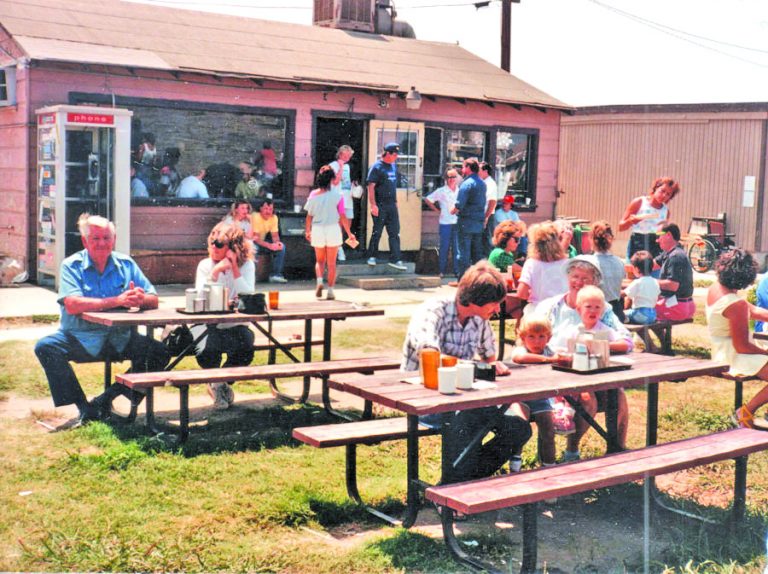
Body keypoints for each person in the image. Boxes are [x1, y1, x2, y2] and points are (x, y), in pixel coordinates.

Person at [401, 261, 531, 482]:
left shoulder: (480, 318)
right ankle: (455, 488)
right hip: (423, 398)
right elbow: (430, 355)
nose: (498, 310)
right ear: (475, 300)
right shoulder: (433, 311)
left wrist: (496, 368)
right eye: (494, 304)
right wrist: (475, 366)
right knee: (470, 416)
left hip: (464, 397)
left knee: (519, 429)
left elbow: (490, 357)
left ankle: (459, 484)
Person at [34, 214, 169, 424]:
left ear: (113, 240)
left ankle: (106, 399)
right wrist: (117, 300)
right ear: (85, 241)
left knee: (159, 352)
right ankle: (83, 407)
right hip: (81, 339)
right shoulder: (72, 265)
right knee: (46, 347)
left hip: (119, 338)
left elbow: (153, 299)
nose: (102, 243)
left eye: (107, 237)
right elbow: (72, 304)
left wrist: (139, 299)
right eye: (96, 238)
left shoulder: (126, 263)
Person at [535, 256, 633, 460]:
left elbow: (626, 341)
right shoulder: (550, 307)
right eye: (575, 276)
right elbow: (530, 337)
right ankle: (572, 449)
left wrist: (595, 345)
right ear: (568, 277)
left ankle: (617, 449)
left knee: (618, 394)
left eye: (585, 279)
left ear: (595, 283)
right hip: (557, 371)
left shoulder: (600, 308)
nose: (578, 282)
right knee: (588, 398)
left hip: (594, 371)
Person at [192, 222, 256, 409]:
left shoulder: (247, 265)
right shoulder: (205, 265)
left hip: (233, 324)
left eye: (219, 244)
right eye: (212, 242)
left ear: (233, 247)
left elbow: (248, 294)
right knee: (207, 349)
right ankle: (217, 384)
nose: (213, 247)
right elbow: (199, 297)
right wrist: (215, 272)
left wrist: (234, 268)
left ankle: (219, 383)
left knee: (247, 344)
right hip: (206, 323)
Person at [705, 250, 768, 428]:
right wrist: (765, 351)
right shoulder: (735, 304)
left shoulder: (716, 288)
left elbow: (754, 311)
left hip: (722, 349)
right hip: (734, 355)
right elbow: (742, 346)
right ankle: (745, 412)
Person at [509, 314, 558, 466]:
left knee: (549, 432)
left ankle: (549, 466)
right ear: (522, 337)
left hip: (541, 398)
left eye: (541, 336)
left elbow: (560, 357)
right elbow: (520, 358)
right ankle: (515, 465)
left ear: (548, 338)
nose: (537, 341)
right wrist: (548, 360)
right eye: (531, 336)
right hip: (520, 397)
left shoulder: (550, 351)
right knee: (520, 427)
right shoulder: (519, 350)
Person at [305, 165, 356, 300]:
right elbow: (343, 216)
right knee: (332, 263)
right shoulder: (338, 195)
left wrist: (307, 230)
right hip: (333, 228)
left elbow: (309, 215)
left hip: (317, 228)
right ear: (332, 179)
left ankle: (320, 282)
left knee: (320, 261)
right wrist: (349, 233)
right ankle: (331, 291)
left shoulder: (313, 195)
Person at [365, 142, 406, 270]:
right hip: (380, 204)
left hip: (391, 205)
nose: (396, 157)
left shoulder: (393, 166)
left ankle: (395, 259)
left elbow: (392, 186)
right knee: (377, 231)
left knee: (394, 232)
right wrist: (373, 205)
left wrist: (395, 202)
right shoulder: (377, 167)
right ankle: (372, 256)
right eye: (394, 154)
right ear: (387, 153)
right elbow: (370, 187)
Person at [619, 176, 680, 261]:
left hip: (655, 247)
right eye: (662, 191)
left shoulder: (665, 211)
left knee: (654, 274)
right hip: (637, 244)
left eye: (668, 194)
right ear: (656, 188)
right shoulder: (639, 202)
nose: (664, 195)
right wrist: (631, 221)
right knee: (635, 272)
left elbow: (661, 233)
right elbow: (621, 227)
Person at [516, 221, 568, 310]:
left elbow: (521, 293)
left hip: (539, 311)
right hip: (562, 310)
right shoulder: (567, 263)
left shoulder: (531, 263)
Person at [452, 157, 487, 278]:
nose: (462, 169)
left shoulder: (466, 184)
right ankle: (478, 280)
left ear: (468, 168)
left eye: (463, 166)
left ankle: (463, 281)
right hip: (478, 223)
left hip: (466, 222)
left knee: (463, 253)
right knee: (477, 253)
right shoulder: (482, 183)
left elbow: (459, 204)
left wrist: (452, 210)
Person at [654, 223, 695, 321]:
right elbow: (649, 265)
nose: (657, 240)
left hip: (677, 306)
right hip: (682, 305)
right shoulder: (670, 253)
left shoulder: (676, 257)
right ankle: (661, 337)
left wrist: (649, 282)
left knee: (641, 309)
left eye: (658, 235)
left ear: (668, 235)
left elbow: (673, 285)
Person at [424, 168, 459, 278]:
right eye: (449, 177)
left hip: (457, 223)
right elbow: (428, 199)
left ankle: (456, 271)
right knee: (444, 247)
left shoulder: (460, 191)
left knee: (456, 248)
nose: (451, 179)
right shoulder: (441, 191)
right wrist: (437, 210)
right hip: (445, 223)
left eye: (454, 177)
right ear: (446, 179)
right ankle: (441, 271)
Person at [590, 220, 626, 321]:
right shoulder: (619, 261)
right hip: (617, 312)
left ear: (592, 239)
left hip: (598, 313)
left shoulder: (589, 262)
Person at [250, 198, 287, 284]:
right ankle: (251, 276)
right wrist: (269, 246)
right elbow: (255, 238)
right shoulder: (255, 216)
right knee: (253, 248)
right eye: (266, 208)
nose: (268, 211)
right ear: (260, 208)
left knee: (281, 248)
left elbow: (275, 236)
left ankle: (276, 275)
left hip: (262, 243)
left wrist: (277, 244)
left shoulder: (274, 218)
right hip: (253, 242)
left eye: (270, 209)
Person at [330, 145, 355, 262]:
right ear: (340, 155)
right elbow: (335, 182)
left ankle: (340, 246)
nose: (347, 159)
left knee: (347, 226)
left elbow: (347, 182)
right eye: (345, 156)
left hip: (348, 200)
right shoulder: (332, 166)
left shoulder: (348, 167)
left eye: (349, 156)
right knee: (339, 225)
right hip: (338, 199)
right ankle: (339, 249)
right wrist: (340, 167)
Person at [623, 250, 660, 325]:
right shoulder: (655, 282)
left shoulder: (637, 282)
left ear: (636, 269)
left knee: (620, 315)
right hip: (652, 315)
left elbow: (624, 294)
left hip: (640, 314)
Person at [479, 161, 498, 254]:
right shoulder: (482, 182)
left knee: (487, 242)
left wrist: (486, 217)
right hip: (482, 215)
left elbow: (492, 201)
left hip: (488, 215)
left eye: (479, 170)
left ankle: (489, 266)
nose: (477, 172)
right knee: (481, 242)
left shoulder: (490, 184)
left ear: (485, 171)